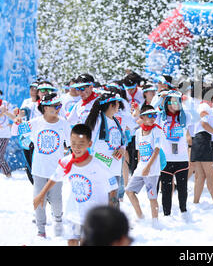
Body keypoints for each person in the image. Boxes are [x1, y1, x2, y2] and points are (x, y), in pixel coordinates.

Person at [33, 124, 118, 246]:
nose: (76, 148)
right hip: (74, 213)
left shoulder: (98, 164)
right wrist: (41, 194)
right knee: (72, 241)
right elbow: (54, 177)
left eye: (81, 144)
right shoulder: (67, 161)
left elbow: (113, 187)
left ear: (89, 144)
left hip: (94, 215)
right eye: (73, 143)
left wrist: (110, 208)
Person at [11, 93, 72, 238]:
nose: (58, 109)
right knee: (39, 200)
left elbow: (70, 144)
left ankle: (57, 221)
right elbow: (14, 132)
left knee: (56, 200)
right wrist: (17, 121)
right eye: (55, 106)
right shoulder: (35, 123)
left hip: (56, 171)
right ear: (44, 107)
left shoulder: (63, 123)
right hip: (38, 169)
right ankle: (41, 229)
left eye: (59, 106)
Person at [85, 92, 127, 208]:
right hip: (100, 167)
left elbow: (122, 141)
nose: (119, 105)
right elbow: (87, 143)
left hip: (115, 167)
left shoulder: (116, 121)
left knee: (113, 199)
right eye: (117, 103)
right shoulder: (98, 121)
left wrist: (122, 149)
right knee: (101, 199)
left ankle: (114, 224)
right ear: (111, 105)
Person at [126, 105, 162, 229]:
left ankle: (155, 221)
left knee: (152, 197)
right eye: (149, 115)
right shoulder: (138, 132)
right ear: (142, 117)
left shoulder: (157, 130)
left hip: (152, 169)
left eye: (154, 115)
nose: (153, 118)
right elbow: (139, 151)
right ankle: (140, 216)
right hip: (141, 167)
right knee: (129, 191)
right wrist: (141, 166)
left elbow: (156, 150)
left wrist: (148, 167)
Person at [157, 90, 191, 220]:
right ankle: (167, 214)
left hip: (181, 158)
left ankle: (184, 211)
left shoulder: (184, 117)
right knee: (166, 189)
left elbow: (195, 116)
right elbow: (152, 111)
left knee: (183, 188)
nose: (173, 105)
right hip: (166, 158)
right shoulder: (161, 117)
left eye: (176, 102)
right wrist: (160, 98)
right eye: (170, 102)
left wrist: (183, 100)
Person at [191, 83, 213, 205]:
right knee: (209, 175)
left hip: (198, 140)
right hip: (203, 140)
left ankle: (196, 201)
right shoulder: (205, 107)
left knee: (201, 176)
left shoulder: (202, 106)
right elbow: (204, 124)